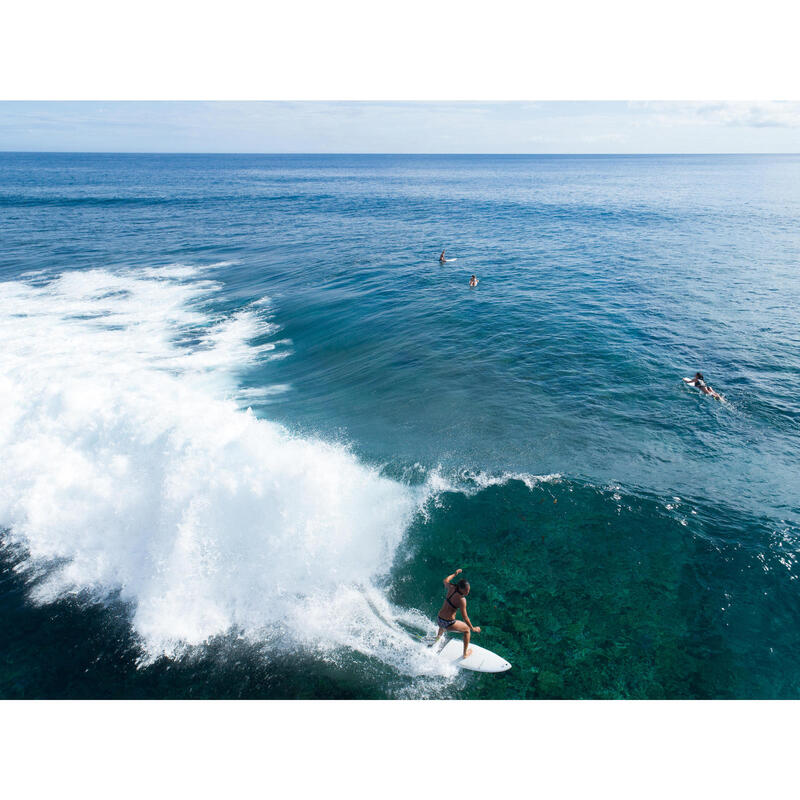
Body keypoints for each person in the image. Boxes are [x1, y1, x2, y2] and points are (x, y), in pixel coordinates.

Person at [434, 568, 480, 658]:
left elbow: (445, 580)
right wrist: (473, 628)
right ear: (461, 589)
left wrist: (455, 574)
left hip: (439, 619)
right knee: (467, 630)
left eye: (469, 590)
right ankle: (465, 654)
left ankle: (437, 640)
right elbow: (465, 617)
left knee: (442, 626)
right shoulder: (462, 600)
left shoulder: (451, 587)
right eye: (466, 590)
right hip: (448, 623)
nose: (468, 592)